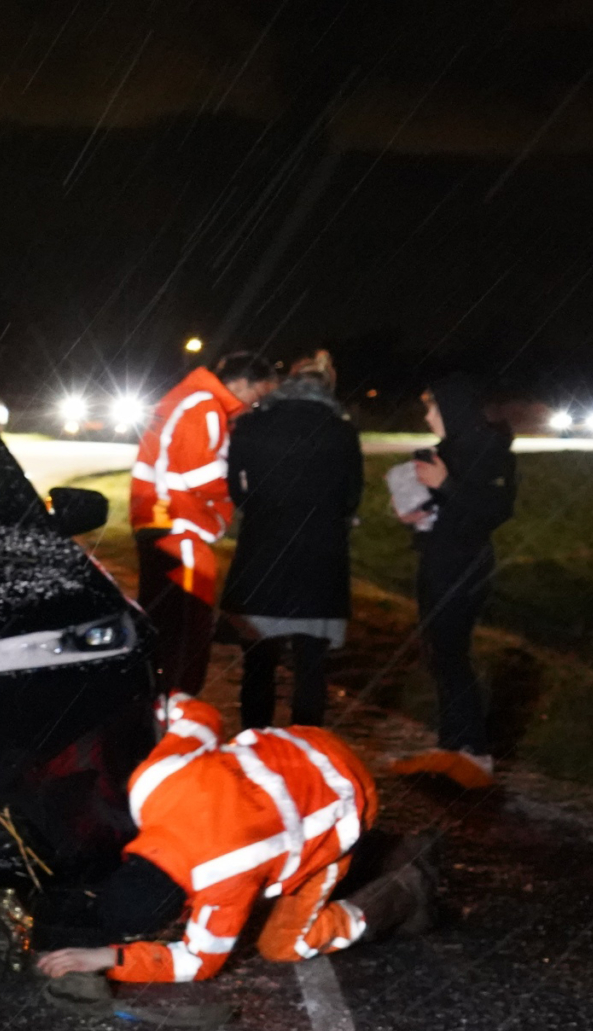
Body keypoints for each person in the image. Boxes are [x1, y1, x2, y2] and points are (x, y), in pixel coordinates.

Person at [35, 694, 434, 986]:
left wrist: (111, 958)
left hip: (350, 798)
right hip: (307, 745)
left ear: (179, 913)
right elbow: (199, 715)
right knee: (272, 859)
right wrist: (156, 702)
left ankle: (400, 891)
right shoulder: (151, 786)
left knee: (284, 945)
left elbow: (198, 962)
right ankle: (383, 851)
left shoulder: (223, 885)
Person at [221, 350, 363, 730]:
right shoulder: (342, 429)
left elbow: (235, 488)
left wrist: (264, 510)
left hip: (263, 553)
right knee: (311, 667)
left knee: (258, 664)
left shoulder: (252, 425)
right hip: (320, 558)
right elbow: (352, 496)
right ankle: (306, 748)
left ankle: (255, 746)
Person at [390, 375, 517, 789]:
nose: (426, 415)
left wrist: (445, 485)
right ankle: (452, 746)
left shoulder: (488, 451)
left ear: (453, 409)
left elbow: (492, 510)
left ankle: (474, 753)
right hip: (437, 558)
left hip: (463, 565)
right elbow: (446, 511)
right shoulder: (449, 451)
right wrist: (416, 511)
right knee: (438, 652)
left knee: (450, 653)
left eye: (432, 407)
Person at [130, 352, 281, 697]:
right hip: (181, 527)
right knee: (187, 631)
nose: (256, 403)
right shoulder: (205, 406)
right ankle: (178, 711)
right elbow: (202, 474)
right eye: (258, 394)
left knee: (163, 624)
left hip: (159, 521)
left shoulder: (185, 398)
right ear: (242, 383)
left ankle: (157, 703)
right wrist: (241, 493)